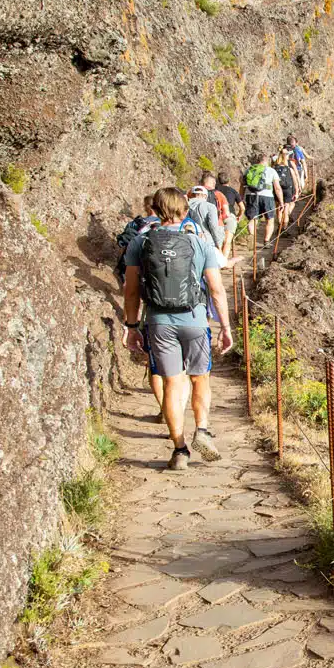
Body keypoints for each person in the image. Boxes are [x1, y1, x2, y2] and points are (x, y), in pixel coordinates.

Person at [121, 187, 234, 471]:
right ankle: (203, 430)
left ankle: (179, 450)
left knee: (172, 383)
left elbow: (131, 290)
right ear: (185, 212)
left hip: (158, 322)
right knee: (200, 379)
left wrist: (131, 326)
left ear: (155, 211)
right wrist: (225, 326)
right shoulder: (198, 244)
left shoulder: (140, 242)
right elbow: (217, 290)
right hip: (195, 320)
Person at [242, 151, 284, 246]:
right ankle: (266, 241)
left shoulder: (248, 170)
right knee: (270, 219)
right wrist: (281, 201)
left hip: (251, 195)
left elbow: (242, 185)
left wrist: (241, 198)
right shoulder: (271, 171)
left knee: (253, 219)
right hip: (267, 196)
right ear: (266, 161)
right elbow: (277, 188)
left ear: (257, 161)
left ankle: (251, 238)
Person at [200, 172, 235, 260]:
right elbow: (226, 213)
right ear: (214, 183)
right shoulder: (219, 194)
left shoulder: (192, 192)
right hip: (217, 224)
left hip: (198, 226)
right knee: (216, 251)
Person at [186, 185, 226, 254]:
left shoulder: (183, 206)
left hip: (186, 242)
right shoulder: (210, 206)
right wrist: (218, 245)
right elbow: (214, 227)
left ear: (191, 195)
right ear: (205, 196)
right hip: (206, 242)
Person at [273, 151, 298, 231]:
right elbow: (295, 181)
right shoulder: (289, 169)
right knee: (286, 209)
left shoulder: (274, 169)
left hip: (277, 190)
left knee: (279, 208)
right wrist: (296, 192)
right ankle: (284, 228)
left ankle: (279, 225)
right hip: (287, 190)